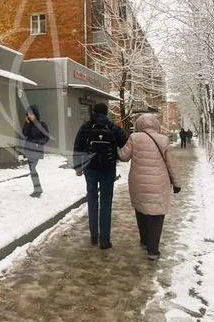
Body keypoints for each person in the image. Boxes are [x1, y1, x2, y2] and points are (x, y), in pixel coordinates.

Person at [118, 112, 178, 260]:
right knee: (156, 215)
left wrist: (116, 147)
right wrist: (176, 183)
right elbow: (171, 164)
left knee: (141, 210)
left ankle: (144, 241)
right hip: (159, 183)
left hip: (138, 183)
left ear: (139, 124)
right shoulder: (164, 140)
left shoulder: (134, 138)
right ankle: (153, 250)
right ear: (156, 124)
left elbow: (124, 157)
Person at [72, 102, 127, 249]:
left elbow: (77, 146)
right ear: (106, 112)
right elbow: (125, 144)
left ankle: (93, 235)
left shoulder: (86, 127)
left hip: (90, 169)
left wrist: (78, 167)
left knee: (92, 200)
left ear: (93, 112)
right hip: (108, 170)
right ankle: (104, 240)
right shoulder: (113, 127)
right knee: (106, 203)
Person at [21, 104, 50, 197]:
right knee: (32, 169)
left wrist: (38, 143)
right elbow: (25, 134)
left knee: (33, 169)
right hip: (29, 149)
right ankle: (37, 189)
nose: (30, 116)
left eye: (31, 114)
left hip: (37, 149)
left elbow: (46, 137)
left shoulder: (42, 124)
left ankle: (38, 189)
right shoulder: (29, 124)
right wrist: (27, 123)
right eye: (28, 114)